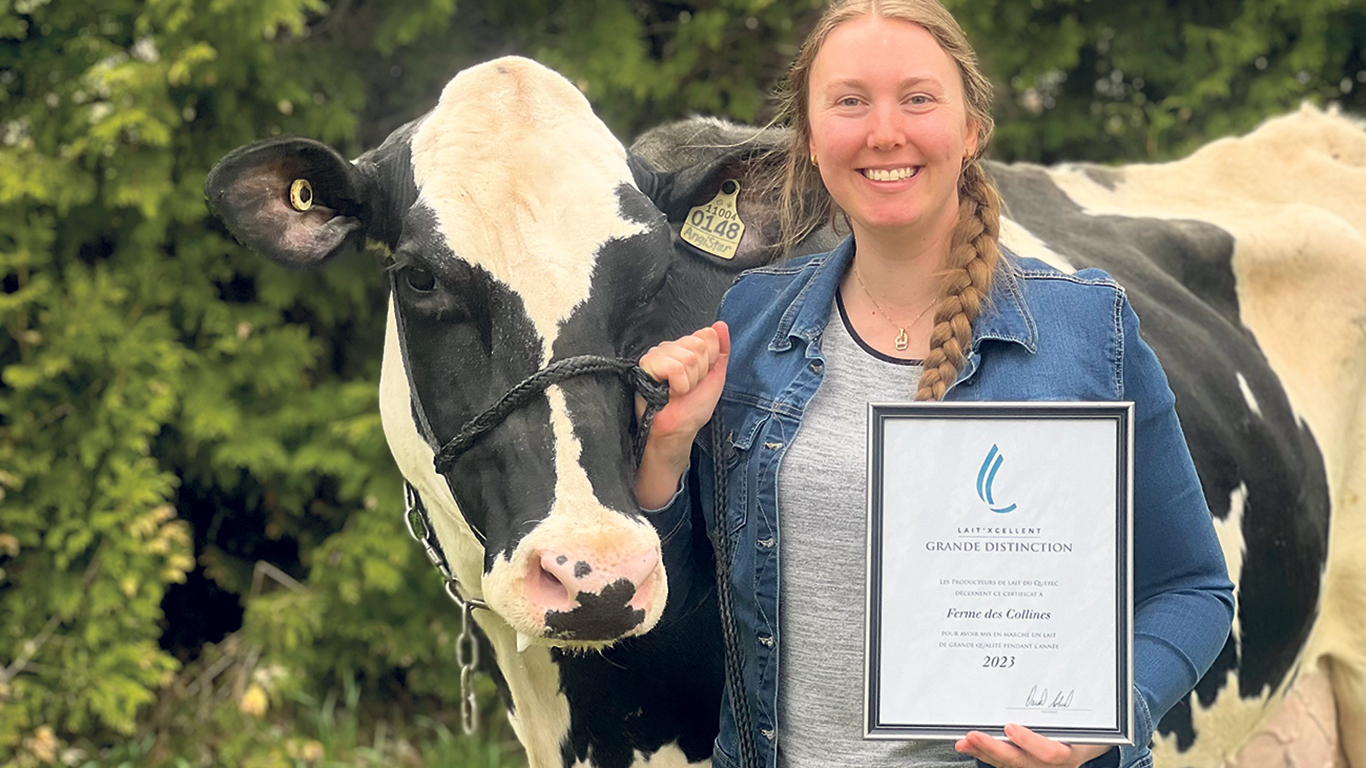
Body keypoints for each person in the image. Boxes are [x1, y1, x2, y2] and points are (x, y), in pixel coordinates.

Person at [634, 2, 1235, 768]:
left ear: (971, 128)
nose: (885, 131)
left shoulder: (1089, 332)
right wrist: (664, 455)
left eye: (918, 98)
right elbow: (690, 602)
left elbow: (1191, 590)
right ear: (811, 138)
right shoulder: (749, 325)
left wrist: (1107, 720)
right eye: (850, 101)